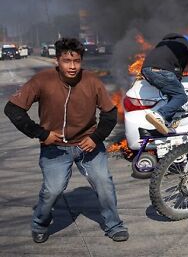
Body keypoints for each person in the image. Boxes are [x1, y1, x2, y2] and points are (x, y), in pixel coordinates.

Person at [4, 38, 128, 243]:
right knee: (52, 190)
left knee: (104, 183)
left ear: (81, 61)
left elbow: (110, 113)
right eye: (66, 61)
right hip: (55, 147)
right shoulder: (42, 80)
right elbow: (13, 109)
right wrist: (42, 134)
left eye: (77, 61)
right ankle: (40, 223)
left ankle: (114, 225)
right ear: (57, 61)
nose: (72, 66)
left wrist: (95, 138)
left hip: (87, 146)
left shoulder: (92, 81)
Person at [141, 33, 188, 134]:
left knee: (173, 96)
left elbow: (173, 66)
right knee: (181, 96)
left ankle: (167, 122)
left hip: (147, 71)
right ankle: (159, 115)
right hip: (162, 71)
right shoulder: (185, 44)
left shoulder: (162, 45)